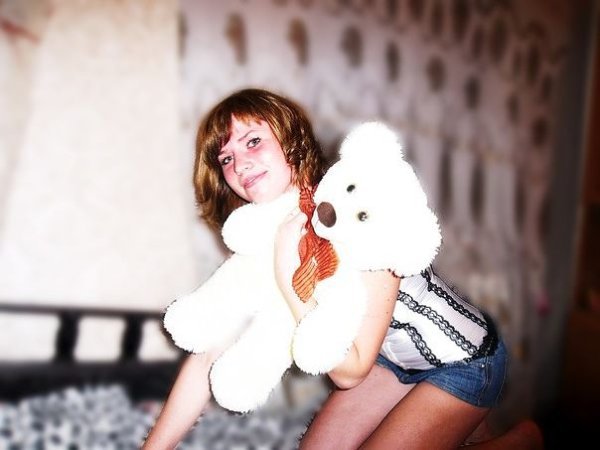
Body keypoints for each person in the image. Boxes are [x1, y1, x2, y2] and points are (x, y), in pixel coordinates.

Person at [142, 88, 543, 449]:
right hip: (387, 360)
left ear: (292, 140)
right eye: (226, 158)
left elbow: (348, 374)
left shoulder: (355, 208)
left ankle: (520, 441)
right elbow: (208, 352)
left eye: (253, 141)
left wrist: (288, 276)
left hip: (463, 359)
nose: (239, 165)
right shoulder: (271, 232)